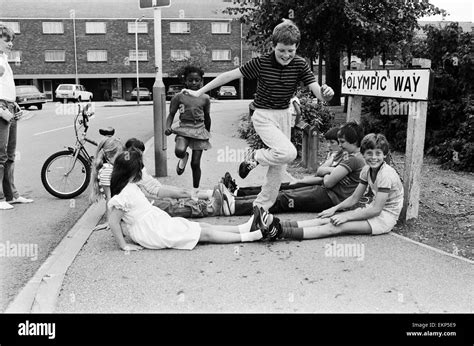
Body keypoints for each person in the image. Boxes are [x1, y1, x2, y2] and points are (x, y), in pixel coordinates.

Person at [182, 19, 334, 213]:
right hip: (263, 116)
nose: (286, 55)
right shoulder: (261, 63)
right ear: (273, 46)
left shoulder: (300, 64)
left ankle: (261, 207)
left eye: (291, 51)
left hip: (284, 116)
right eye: (281, 51)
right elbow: (228, 76)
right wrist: (198, 92)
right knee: (288, 153)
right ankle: (255, 157)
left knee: (279, 167)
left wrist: (326, 93)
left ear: (296, 48)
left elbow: (318, 92)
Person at [107, 149, 270, 251]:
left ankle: (242, 228)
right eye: (139, 170)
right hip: (151, 231)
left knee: (201, 226)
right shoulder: (124, 193)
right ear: (130, 172)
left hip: (155, 223)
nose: (142, 173)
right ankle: (248, 236)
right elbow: (113, 221)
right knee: (203, 234)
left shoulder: (128, 187)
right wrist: (124, 245)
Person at [267, 133, 404, 240]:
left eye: (378, 154)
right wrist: (334, 209)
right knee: (326, 219)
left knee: (337, 226)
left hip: (385, 217)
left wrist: (347, 216)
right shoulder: (366, 170)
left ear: (384, 155)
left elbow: (376, 210)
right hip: (373, 209)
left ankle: (280, 232)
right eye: (369, 153)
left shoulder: (385, 175)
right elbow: (354, 198)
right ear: (363, 154)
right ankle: (275, 225)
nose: (373, 158)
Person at [222, 122, 366, 216]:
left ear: (354, 141)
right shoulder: (347, 154)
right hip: (326, 191)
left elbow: (328, 182)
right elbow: (322, 172)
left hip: (331, 197)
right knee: (281, 191)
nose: (340, 146)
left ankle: (235, 206)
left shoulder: (353, 159)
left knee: (283, 199)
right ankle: (235, 196)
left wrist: (330, 174)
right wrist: (332, 173)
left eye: (342, 142)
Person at [124, 138, 234, 218]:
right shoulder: (128, 166)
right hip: (156, 191)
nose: (141, 155)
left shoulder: (135, 162)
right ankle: (212, 194)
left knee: (184, 193)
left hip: (158, 186)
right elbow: (137, 189)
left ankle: (213, 193)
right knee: (184, 194)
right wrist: (154, 199)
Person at [221, 126, 345, 196]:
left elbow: (322, 174)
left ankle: (238, 194)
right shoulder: (334, 155)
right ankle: (238, 190)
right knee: (276, 186)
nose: (328, 145)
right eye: (328, 142)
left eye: (332, 143)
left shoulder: (343, 158)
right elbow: (321, 171)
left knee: (280, 191)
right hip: (313, 181)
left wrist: (304, 180)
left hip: (317, 186)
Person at [0, 24, 33, 210]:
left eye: (12, 40)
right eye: (7, 40)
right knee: (0, 156)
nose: (11, 43)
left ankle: (11, 195)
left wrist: (15, 104)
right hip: (1, 108)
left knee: (10, 155)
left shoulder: (3, 59)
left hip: (9, 105)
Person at [165, 65, 211, 195]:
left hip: (199, 130)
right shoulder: (178, 97)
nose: (194, 83)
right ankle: (184, 156)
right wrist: (167, 127)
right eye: (190, 80)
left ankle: (195, 190)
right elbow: (171, 114)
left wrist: (207, 135)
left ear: (201, 81)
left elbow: (207, 118)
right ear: (185, 81)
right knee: (179, 151)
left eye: (197, 80)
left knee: (195, 164)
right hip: (184, 128)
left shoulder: (205, 98)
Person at [89, 136, 124, 229]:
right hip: (124, 209)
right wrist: (110, 221)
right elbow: (109, 197)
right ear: (108, 156)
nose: (122, 158)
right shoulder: (107, 170)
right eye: (119, 156)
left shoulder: (111, 167)